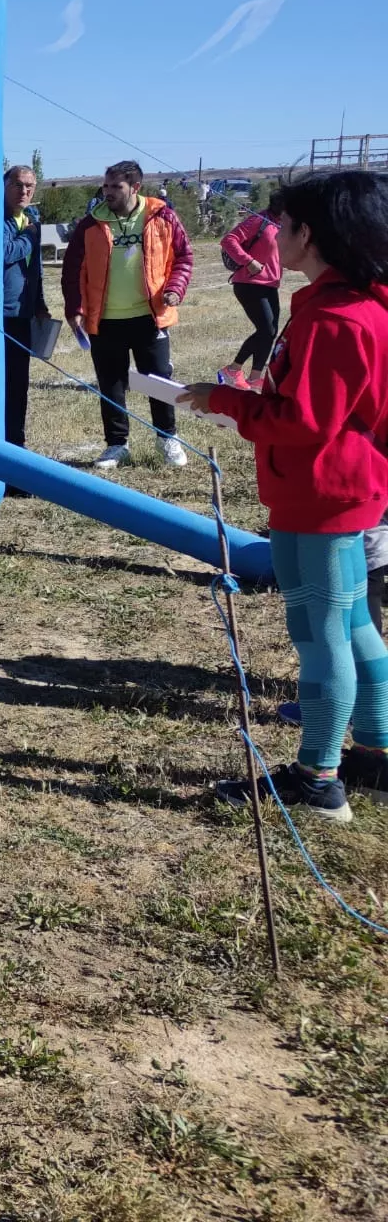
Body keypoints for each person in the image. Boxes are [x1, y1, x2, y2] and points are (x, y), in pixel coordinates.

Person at [186, 170, 388, 820]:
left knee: (320, 632)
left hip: (324, 495)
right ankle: (375, 755)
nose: (275, 234)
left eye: (285, 224)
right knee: (351, 624)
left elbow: (305, 421)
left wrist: (225, 401)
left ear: (314, 233)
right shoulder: (342, 305)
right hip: (328, 490)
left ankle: (318, 778)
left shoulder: (336, 318)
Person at [62, 160, 193, 469]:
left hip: (150, 317)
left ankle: (167, 438)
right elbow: (72, 271)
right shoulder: (90, 224)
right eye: (105, 186)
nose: (108, 192)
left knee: (158, 380)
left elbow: (183, 257)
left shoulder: (162, 216)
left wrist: (175, 288)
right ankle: (117, 445)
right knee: (111, 384)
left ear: (135, 187)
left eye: (116, 186)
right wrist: (75, 308)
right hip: (105, 320)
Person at [2, 166, 50, 448]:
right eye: (18, 185)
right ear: (5, 185)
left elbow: (36, 268)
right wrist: (30, 237)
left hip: (24, 314)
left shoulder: (30, 219)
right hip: (1, 315)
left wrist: (40, 303)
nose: (24, 191)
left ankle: (17, 443)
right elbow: (4, 252)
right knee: (4, 384)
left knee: (19, 384)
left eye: (30, 186)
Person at [218, 204, 282, 390]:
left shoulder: (283, 225)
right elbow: (229, 240)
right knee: (266, 329)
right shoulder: (259, 219)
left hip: (270, 284)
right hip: (249, 283)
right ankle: (232, 369)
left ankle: (254, 378)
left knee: (271, 332)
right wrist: (248, 261)